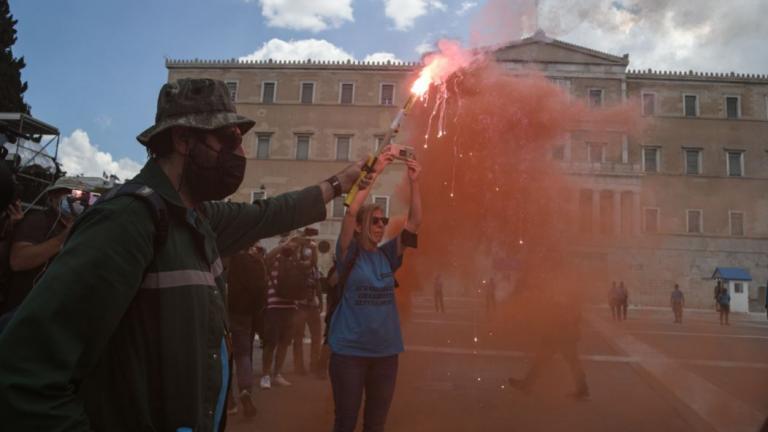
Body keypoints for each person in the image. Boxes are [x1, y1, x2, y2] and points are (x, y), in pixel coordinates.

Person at [0, 78, 365, 431]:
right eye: (228, 139)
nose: (240, 154)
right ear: (183, 138)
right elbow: (24, 376)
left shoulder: (199, 217)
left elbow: (269, 213)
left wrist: (340, 183)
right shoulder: (128, 221)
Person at [327, 148, 422, 432]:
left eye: (383, 221)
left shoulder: (388, 256)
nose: (381, 226)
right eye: (375, 221)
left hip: (385, 354)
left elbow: (414, 223)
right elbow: (352, 209)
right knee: (346, 421)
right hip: (349, 354)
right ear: (358, 228)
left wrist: (416, 181)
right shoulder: (348, 254)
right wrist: (376, 172)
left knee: (376, 424)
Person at [0, 177, 86, 327]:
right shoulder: (38, 220)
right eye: (70, 195)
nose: (76, 200)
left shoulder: (81, 230)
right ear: (53, 197)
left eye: (81, 197)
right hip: (19, 312)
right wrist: (61, 240)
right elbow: (18, 261)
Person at [508, 279, 589, 400]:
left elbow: (566, 317)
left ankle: (527, 384)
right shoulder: (564, 299)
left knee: (565, 362)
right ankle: (527, 384)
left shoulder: (564, 300)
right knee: (545, 361)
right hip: (559, 336)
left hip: (561, 336)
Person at [226, 243, 268, 418]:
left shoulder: (224, 256)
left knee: (224, 357)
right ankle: (245, 391)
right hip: (244, 315)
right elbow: (262, 289)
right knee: (243, 355)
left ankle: (229, 401)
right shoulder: (255, 262)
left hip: (224, 312)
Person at [292, 240, 323, 377]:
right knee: (299, 337)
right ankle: (300, 366)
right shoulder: (298, 266)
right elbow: (312, 262)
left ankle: (312, 364)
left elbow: (318, 285)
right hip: (301, 305)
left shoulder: (314, 268)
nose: (309, 253)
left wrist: (320, 301)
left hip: (312, 305)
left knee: (316, 336)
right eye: (307, 251)